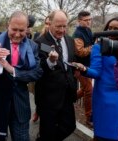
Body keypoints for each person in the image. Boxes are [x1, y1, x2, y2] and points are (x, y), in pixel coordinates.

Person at [0, 11, 43, 141]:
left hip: (19, 105)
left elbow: (37, 72)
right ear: (8, 25)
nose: (17, 34)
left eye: (21, 30)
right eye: (14, 29)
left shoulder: (32, 46)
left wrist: (13, 70)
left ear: (27, 28)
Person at [75, 17, 118, 141]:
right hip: (104, 98)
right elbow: (96, 72)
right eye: (109, 28)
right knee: (105, 135)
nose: (111, 31)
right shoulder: (98, 47)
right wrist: (84, 69)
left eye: (116, 29)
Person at [34, 10, 77, 141]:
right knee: (48, 132)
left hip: (67, 95)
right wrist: (50, 61)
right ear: (49, 24)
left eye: (65, 26)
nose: (62, 30)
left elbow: (67, 65)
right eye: (58, 26)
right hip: (48, 97)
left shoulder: (70, 40)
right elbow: (38, 70)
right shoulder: (40, 42)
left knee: (69, 126)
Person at [72, 11, 93, 126]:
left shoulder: (88, 30)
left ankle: (67, 100)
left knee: (86, 89)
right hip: (79, 67)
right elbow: (80, 52)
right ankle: (89, 117)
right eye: (86, 20)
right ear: (79, 21)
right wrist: (93, 47)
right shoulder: (78, 34)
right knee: (89, 90)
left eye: (90, 19)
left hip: (87, 66)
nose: (89, 22)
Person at [31, 15, 50, 123]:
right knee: (39, 94)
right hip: (40, 69)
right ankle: (37, 111)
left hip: (52, 70)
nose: (47, 26)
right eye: (46, 23)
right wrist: (51, 50)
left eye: (49, 23)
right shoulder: (38, 35)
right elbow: (36, 47)